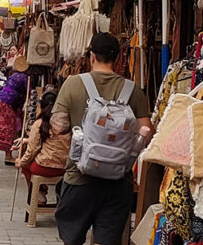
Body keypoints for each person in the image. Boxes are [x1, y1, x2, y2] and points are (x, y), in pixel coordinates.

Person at [52, 33, 152, 245]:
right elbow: (147, 131)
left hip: (79, 178)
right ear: (117, 57)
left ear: (91, 56)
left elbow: (58, 127)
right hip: (118, 182)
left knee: (72, 240)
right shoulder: (133, 90)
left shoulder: (73, 84)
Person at [16, 91, 70, 206]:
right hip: (65, 165)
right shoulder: (67, 122)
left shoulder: (40, 123)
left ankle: (40, 195)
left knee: (26, 165)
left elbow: (32, 149)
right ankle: (44, 192)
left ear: (41, 105)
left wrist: (21, 162)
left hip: (45, 166)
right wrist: (27, 140)